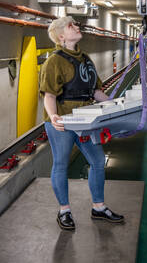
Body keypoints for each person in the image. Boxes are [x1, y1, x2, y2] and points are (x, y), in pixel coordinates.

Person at [39, 16, 124, 231]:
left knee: (97, 161)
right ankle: (64, 211)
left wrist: (117, 104)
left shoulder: (85, 59)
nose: (77, 27)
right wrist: (54, 116)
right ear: (61, 36)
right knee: (60, 164)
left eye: (76, 24)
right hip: (63, 122)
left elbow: (95, 91)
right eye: (71, 25)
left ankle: (98, 207)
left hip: (86, 120)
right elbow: (49, 95)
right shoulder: (54, 61)